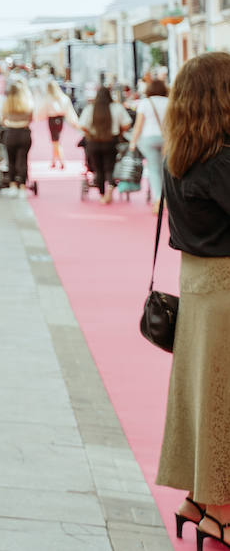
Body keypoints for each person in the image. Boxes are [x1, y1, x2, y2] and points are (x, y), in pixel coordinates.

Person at [154, 52, 230, 547]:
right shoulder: (222, 162)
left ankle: (198, 501)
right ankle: (220, 513)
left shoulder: (179, 156)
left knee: (199, 396)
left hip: (198, 290)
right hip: (226, 291)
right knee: (221, 401)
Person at [79, 85, 130, 205]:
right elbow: (127, 124)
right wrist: (120, 131)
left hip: (94, 142)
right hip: (111, 141)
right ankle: (111, 188)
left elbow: (82, 125)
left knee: (98, 169)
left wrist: (90, 133)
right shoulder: (117, 108)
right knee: (110, 167)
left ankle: (102, 194)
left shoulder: (90, 108)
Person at [129, 77, 169, 211]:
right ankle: (168, 197)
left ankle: (158, 199)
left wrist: (133, 142)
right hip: (166, 139)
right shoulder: (169, 102)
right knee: (166, 169)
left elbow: (139, 125)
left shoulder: (145, 103)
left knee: (153, 169)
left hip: (148, 139)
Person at [0, 82, 36, 195]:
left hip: (11, 133)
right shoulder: (27, 102)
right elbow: (31, 118)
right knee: (23, 160)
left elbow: (2, 120)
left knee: (11, 160)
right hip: (24, 132)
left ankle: (12, 185)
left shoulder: (7, 103)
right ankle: (22, 186)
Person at [41, 79, 80, 169]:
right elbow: (69, 111)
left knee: (55, 141)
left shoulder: (48, 98)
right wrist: (74, 122)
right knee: (56, 140)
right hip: (60, 120)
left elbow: (42, 110)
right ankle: (54, 160)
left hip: (52, 120)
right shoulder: (63, 98)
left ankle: (62, 161)